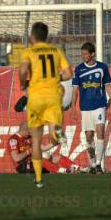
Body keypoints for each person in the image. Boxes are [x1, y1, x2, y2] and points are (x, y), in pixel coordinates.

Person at [18, 22, 72, 188]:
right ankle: (58, 134)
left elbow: (22, 71)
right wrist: (57, 79)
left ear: (32, 36)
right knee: (54, 132)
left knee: (36, 140)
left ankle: (39, 179)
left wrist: (22, 85)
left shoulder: (28, 51)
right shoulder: (56, 51)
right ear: (46, 36)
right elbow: (69, 73)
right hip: (54, 96)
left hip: (35, 98)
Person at [71, 42, 111, 174]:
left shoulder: (102, 67)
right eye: (82, 54)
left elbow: (108, 87)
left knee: (100, 131)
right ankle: (92, 163)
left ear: (92, 54)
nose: (84, 56)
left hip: (99, 105)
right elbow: (75, 90)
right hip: (85, 107)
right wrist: (73, 107)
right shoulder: (79, 69)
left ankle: (98, 164)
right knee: (88, 136)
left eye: (86, 54)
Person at [8, 122, 81, 174]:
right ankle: (63, 171)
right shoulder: (13, 140)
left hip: (34, 162)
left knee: (56, 157)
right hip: (23, 166)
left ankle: (77, 168)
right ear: (24, 130)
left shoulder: (30, 137)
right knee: (40, 159)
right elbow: (16, 158)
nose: (31, 133)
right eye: (30, 131)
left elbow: (43, 148)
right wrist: (29, 151)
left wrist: (55, 143)